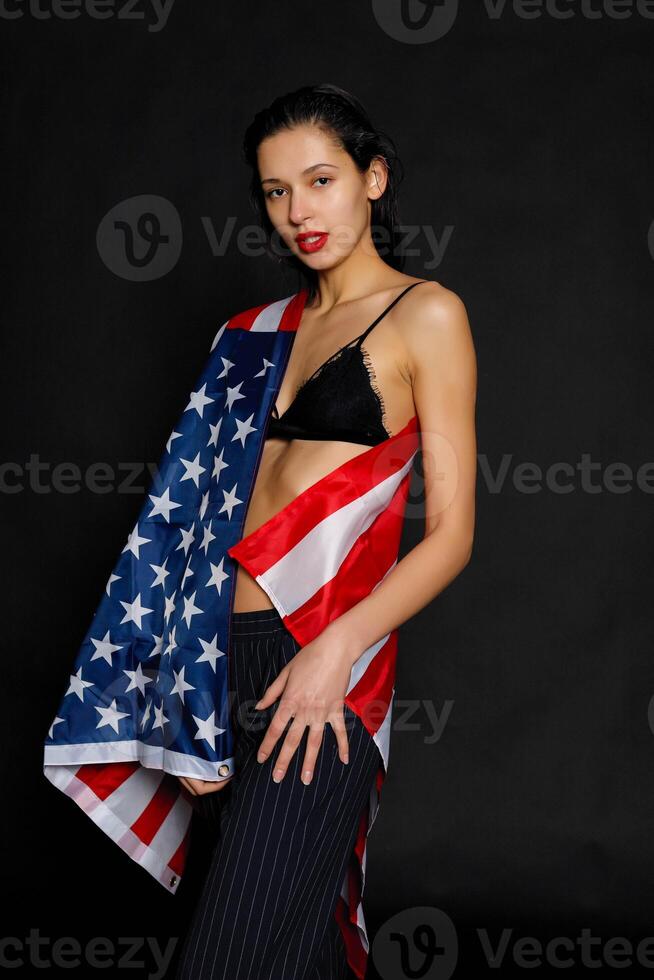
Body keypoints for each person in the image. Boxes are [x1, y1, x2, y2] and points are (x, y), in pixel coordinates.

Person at [173, 82, 477, 980]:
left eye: (320, 180)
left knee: (230, 956)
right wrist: (183, 694)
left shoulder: (426, 314)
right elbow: (190, 527)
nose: (299, 211)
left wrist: (337, 648)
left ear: (373, 178)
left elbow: (452, 533)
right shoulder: (248, 335)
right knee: (293, 950)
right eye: (276, 191)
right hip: (220, 655)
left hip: (322, 659)